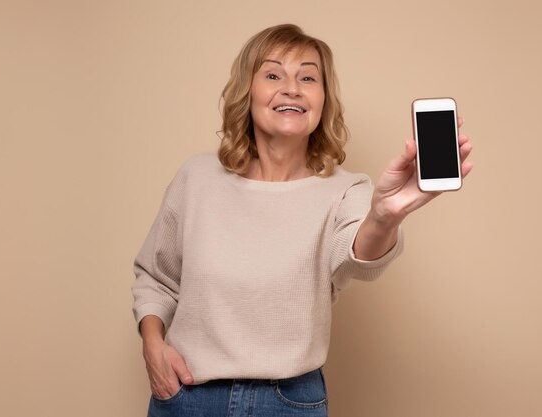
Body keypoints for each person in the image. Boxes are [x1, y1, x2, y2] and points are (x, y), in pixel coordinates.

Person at [131, 23, 472, 417]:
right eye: (273, 74)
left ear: (323, 100)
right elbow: (156, 278)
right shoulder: (197, 178)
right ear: (248, 92)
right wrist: (152, 346)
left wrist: (384, 216)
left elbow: (356, 255)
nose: (292, 87)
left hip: (289, 403)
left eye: (308, 77)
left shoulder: (346, 191)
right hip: (187, 398)